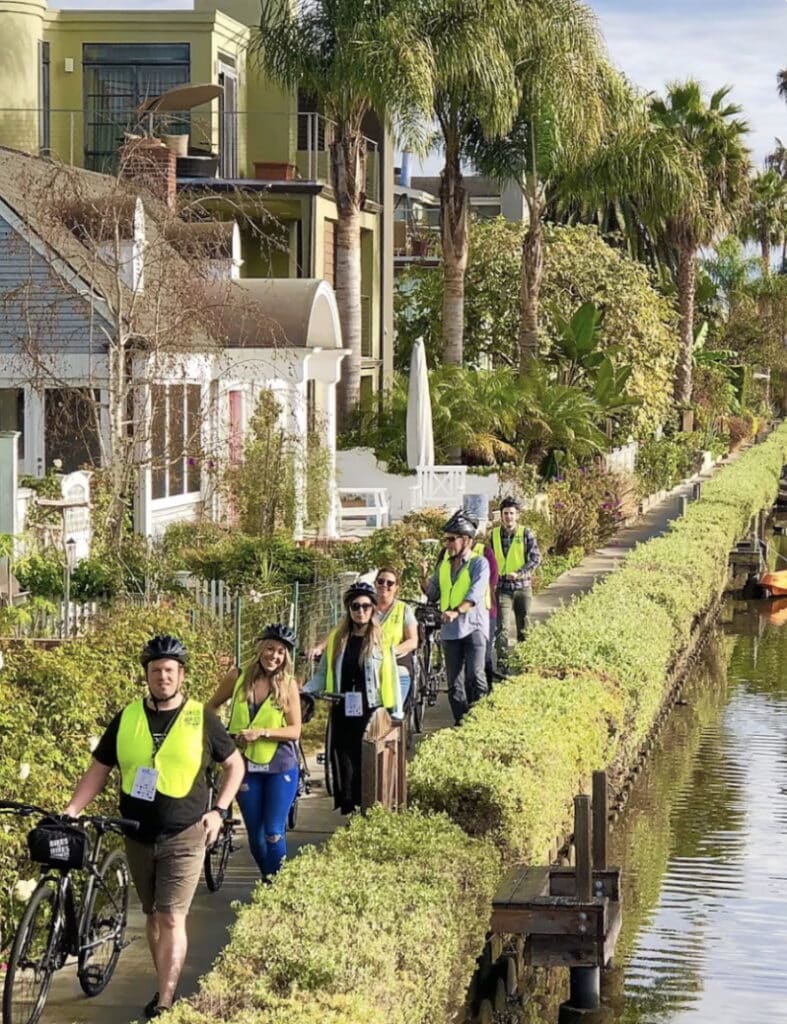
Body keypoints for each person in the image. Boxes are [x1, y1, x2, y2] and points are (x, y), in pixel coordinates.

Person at [63, 635, 244, 1020]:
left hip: (185, 832)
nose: (163, 676)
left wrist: (219, 811)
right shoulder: (127, 716)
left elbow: (235, 766)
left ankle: (164, 999)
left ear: (182, 676)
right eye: (156, 670)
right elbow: (99, 769)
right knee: (151, 914)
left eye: (170, 670)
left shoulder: (202, 718)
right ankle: (164, 980)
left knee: (171, 916)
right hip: (136, 832)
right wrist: (73, 809)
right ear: (146, 675)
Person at [207, 623, 302, 881]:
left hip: (280, 766)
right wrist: (214, 738)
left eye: (281, 652)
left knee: (273, 831)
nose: (275, 656)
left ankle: (278, 884)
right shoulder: (237, 677)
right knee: (256, 836)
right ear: (260, 649)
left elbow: (295, 731)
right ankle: (269, 880)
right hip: (244, 766)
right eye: (270, 649)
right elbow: (211, 707)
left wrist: (263, 732)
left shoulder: (288, 684)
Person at [305, 581, 401, 814]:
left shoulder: (381, 640)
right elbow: (321, 675)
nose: (361, 612)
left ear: (373, 609)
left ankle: (368, 810)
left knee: (367, 763)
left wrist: (396, 713)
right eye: (356, 606)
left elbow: (391, 675)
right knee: (345, 764)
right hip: (343, 709)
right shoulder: (338, 639)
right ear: (348, 609)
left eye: (366, 607)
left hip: (371, 711)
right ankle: (354, 811)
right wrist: (302, 692)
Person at [421, 510, 490, 725]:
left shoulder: (479, 564)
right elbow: (433, 594)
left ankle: (481, 721)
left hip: (473, 627)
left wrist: (456, 611)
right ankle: (462, 723)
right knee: (454, 684)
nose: (447, 544)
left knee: (475, 677)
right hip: (450, 631)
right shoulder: (443, 565)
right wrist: (422, 577)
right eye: (446, 539)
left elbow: (475, 594)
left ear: (466, 540)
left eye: (452, 539)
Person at [491, 496, 541, 673]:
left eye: (512, 513)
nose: (508, 517)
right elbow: (489, 560)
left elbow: (535, 558)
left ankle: (524, 660)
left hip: (522, 587)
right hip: (502, 588)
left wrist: (519, 573)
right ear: (501, 515)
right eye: (505, 513)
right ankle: (503, 664)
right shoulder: (494, 534)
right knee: (502, 627)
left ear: (517, 515)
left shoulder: (526, 533)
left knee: (523, 626)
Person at [374, 567, 419, 708]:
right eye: (381, 581)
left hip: (396, 664)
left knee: (391, 715)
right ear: (375, 584)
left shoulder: (403, 609)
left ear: (396, 588)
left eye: (390, 583)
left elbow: (413, 641)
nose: (384, 586)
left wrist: (390, 651)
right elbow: (340, 629)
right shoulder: (364, 607)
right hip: (370, 665)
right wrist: (320, 647)